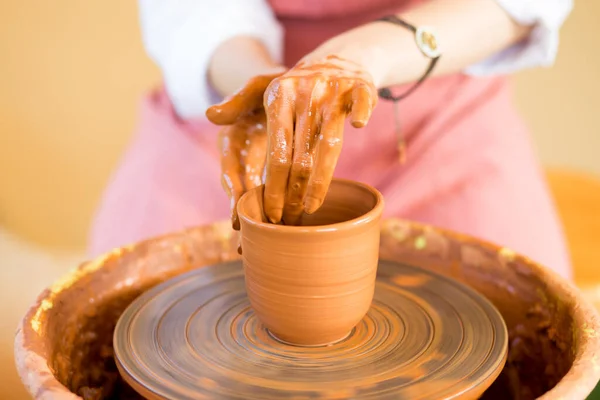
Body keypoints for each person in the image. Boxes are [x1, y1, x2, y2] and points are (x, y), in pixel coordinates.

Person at [89, 0, 573, 279]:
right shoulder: (253, 92)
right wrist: (271, 85)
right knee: (129, 305)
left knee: (516, 313)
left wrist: (365, 55)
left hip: (434, 93)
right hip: (241, 106)